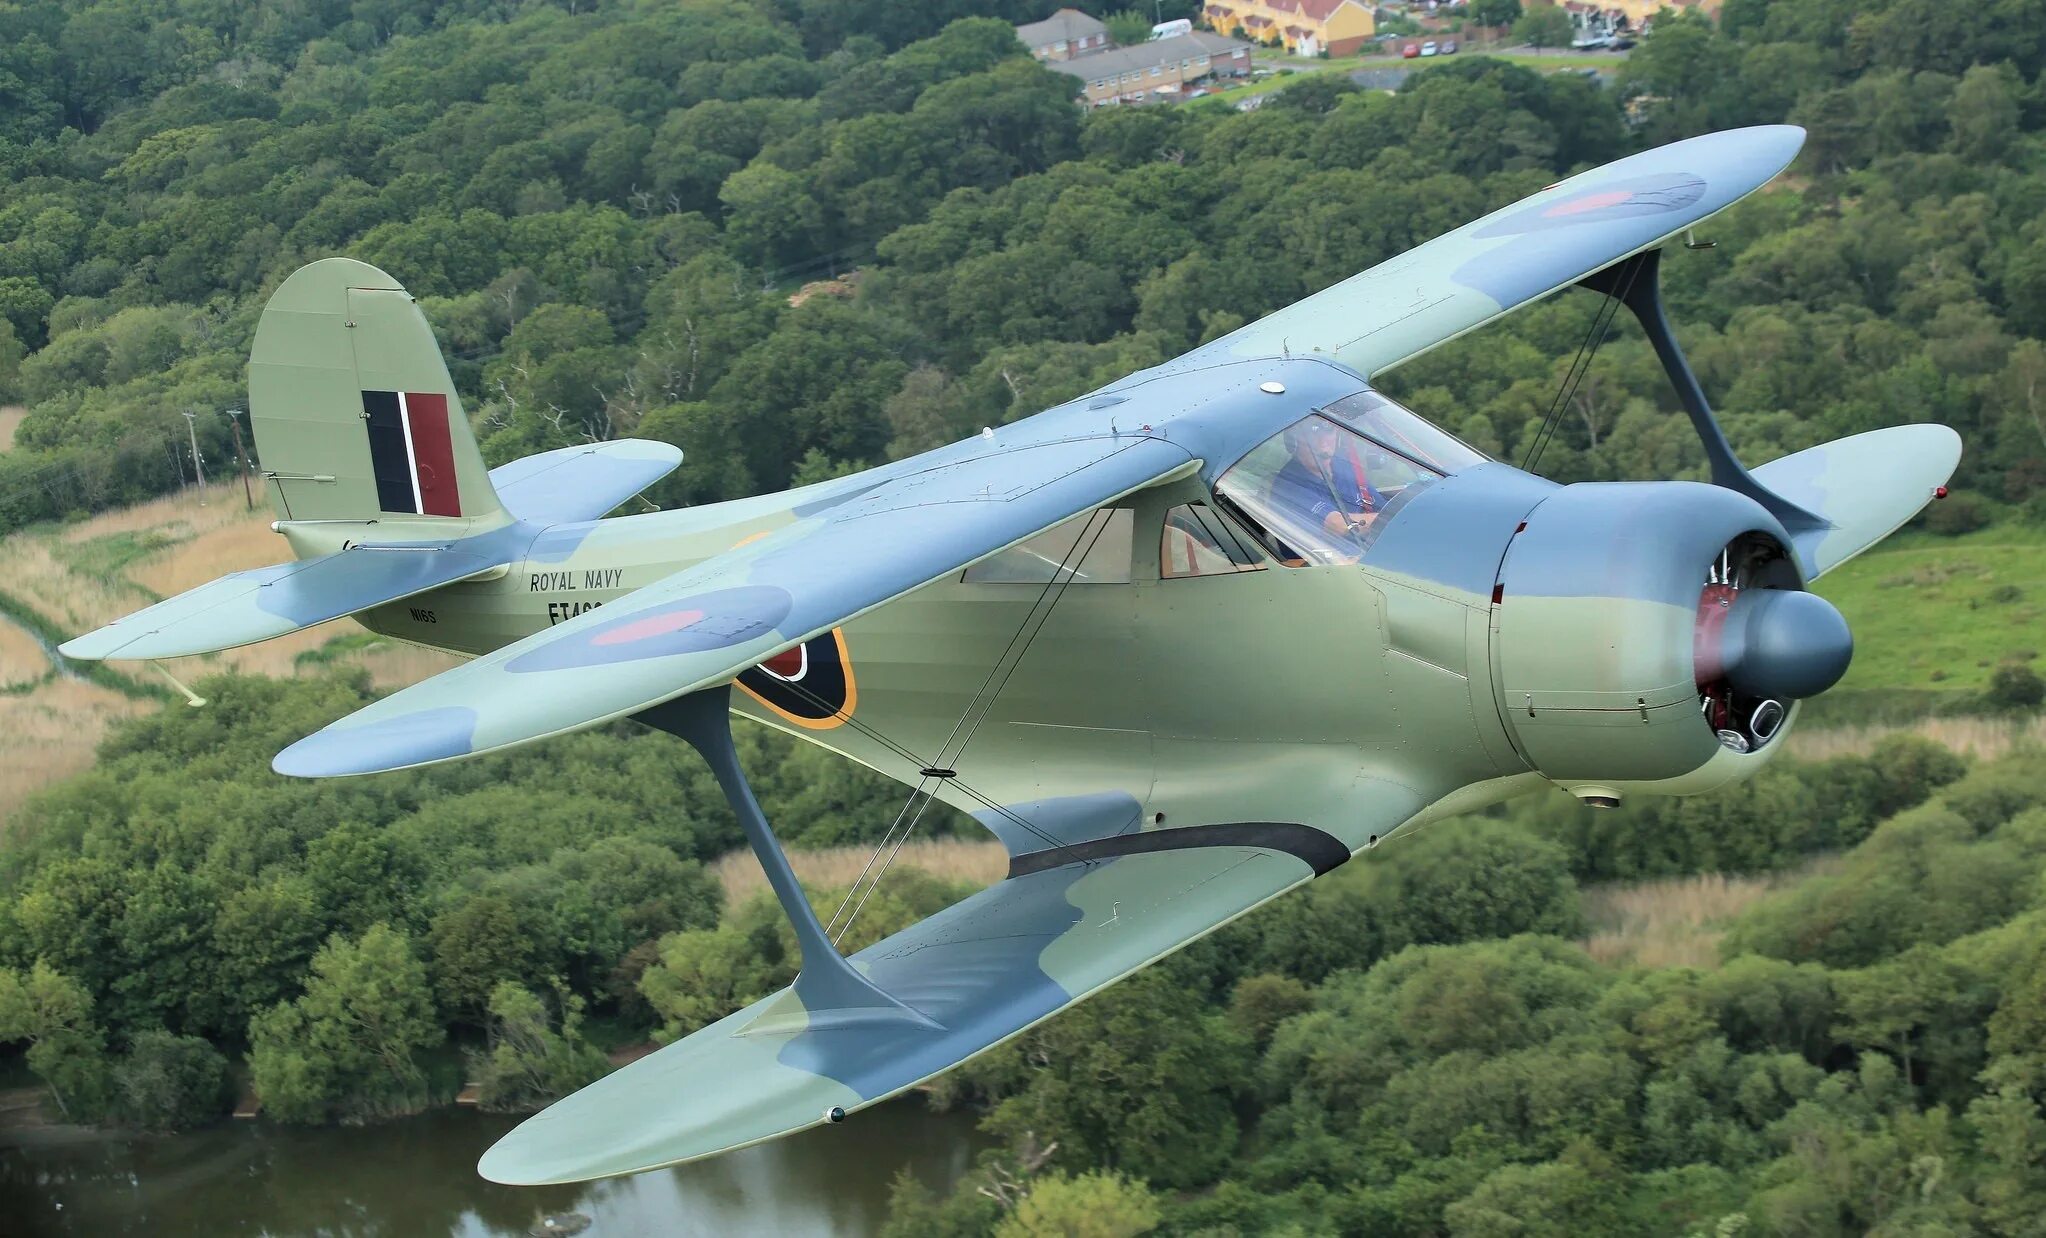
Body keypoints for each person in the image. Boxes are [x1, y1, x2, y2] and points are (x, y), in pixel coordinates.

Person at [1267, 418, 1383, 553]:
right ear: (1293, 442)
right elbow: (1337, 525)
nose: (1323, 444)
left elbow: (1385, 508)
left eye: (1328, 431)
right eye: (1313, 433)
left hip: (1369, 554)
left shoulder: (1344, 467)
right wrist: (1390, 521)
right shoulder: (1287, 485)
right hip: (1325, 568)